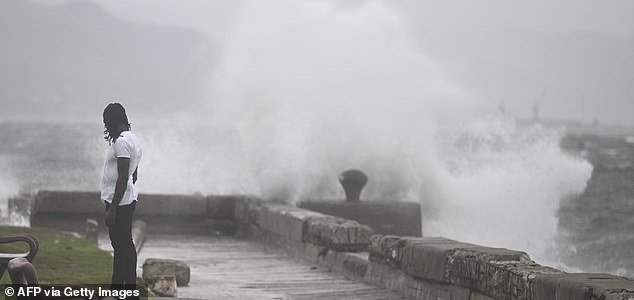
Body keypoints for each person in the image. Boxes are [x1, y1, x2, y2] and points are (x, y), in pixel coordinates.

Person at [101, 103, 142, 291]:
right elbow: (133, 174)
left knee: (121, 245)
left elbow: (124, 176)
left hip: (120, 202)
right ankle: (121, 288)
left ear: (114, 122)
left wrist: (113, 208)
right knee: (123, 244)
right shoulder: (132, 138)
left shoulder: (121, 142)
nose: (106, 128)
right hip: (127, 199)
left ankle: (124, 288)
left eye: (107, 124)